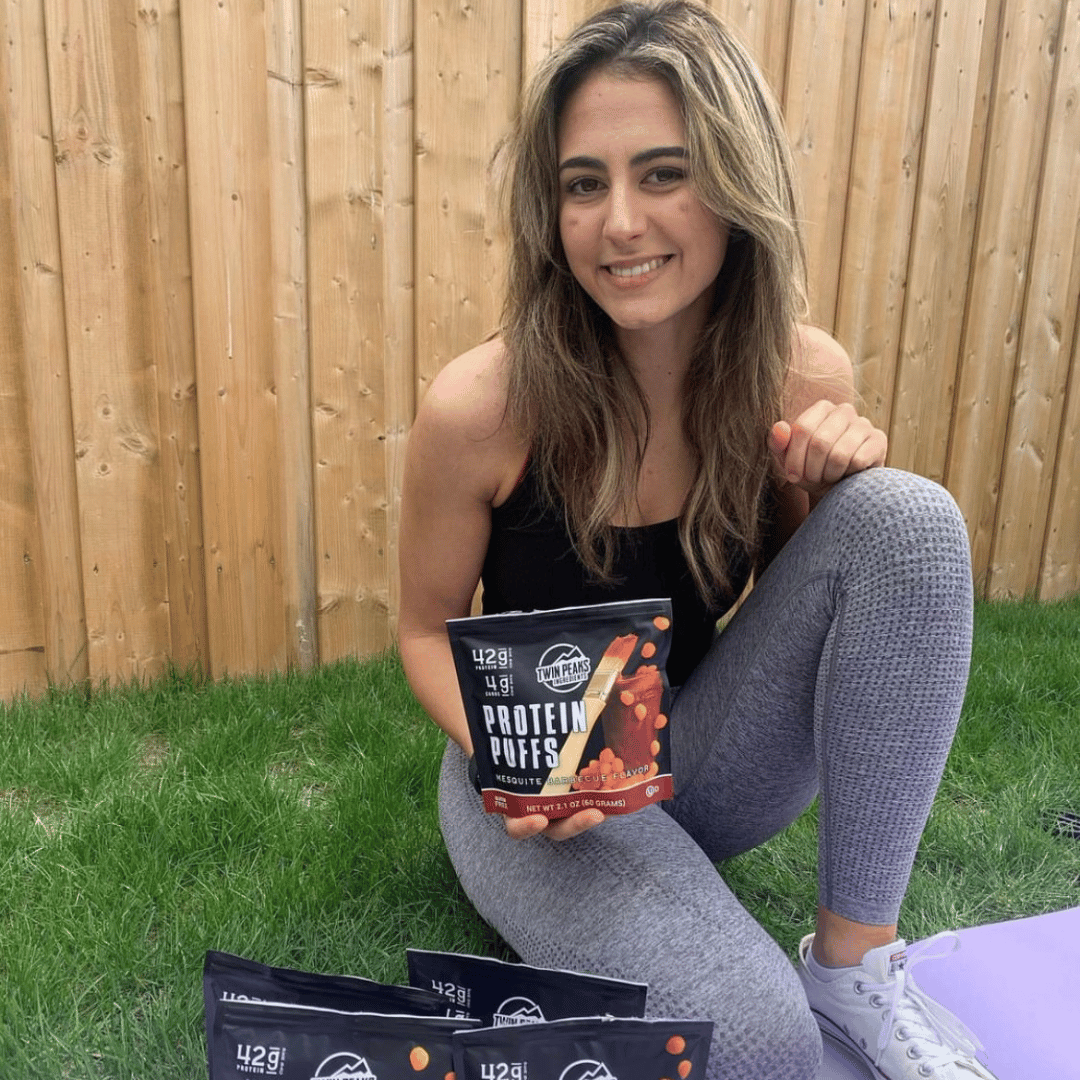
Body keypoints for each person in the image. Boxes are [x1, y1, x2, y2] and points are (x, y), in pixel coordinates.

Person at [398, 3, 995, 1078]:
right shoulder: (481, 408)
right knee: (757, 1049)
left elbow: (793, 606)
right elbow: (420, 631)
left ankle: (854, 968)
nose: (619, 221)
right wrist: (515, 760)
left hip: (702, 752)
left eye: (663, 173)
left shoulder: (797, 372)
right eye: (585, 184)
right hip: (546, 782)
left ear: (734, 181)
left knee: (905, 520)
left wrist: (823, 489)